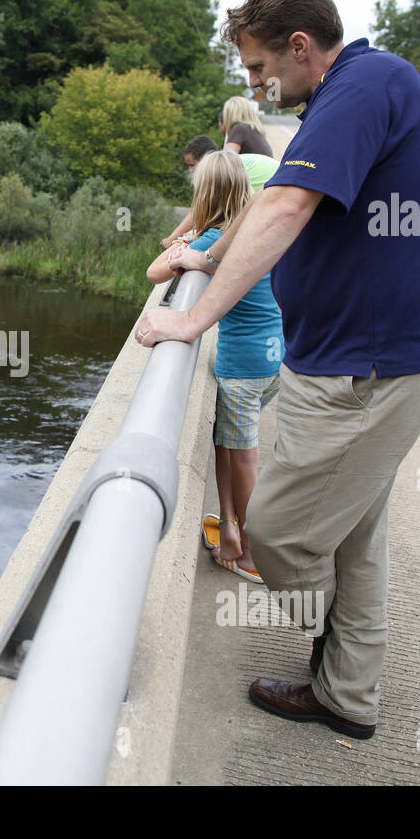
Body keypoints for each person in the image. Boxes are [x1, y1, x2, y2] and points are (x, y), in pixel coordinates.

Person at [133, 0, 420, 740]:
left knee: (277, 530)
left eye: (256, 68)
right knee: (355, 538)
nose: (252, 85)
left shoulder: (361, 86)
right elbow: (266, 209)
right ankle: (346, 693)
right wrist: (205, 264)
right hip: (363, 362)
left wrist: (196, 319)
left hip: (366, 372)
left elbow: (283, 206)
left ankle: (333, 653)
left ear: (300, 46)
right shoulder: (347, 94)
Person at [147, 151, 284, 583]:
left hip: (242, 365)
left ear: (202, 197)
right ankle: (230, 533)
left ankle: (254, 557)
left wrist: (182, 246)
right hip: (273, 359)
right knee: (227, 446)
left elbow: (154, 273)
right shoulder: (254, 231)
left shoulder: (211, 241)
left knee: (244, 460)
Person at [163, 140, 279, 250]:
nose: (190, 170)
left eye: (192, 165)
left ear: (205, 161)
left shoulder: (226, 174)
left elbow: (199, 212)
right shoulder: (230, 164)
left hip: (276, 195)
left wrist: (172, 239)